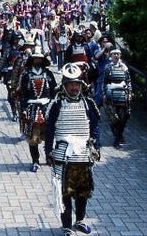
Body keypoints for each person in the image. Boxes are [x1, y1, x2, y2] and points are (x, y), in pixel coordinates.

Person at [45, 63, 100, 236]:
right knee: (65, 193)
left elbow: (96, 126)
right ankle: (67, 225)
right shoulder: (57, 104)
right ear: (64, 86)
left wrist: (96, 145)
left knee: (83, 192)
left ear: (82, 85)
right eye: (70, 84)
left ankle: (80, 221)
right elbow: (50, 129)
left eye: (77, 84)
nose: (74, 87)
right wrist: (48, 151)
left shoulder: (88, 103)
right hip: (63, 154)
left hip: (83, 154)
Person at [20, 45, 57, 172]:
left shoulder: (48, 73)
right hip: (32, 108)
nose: (37, 61)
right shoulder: (26, 75)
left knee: (49, 134)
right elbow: (23, 94)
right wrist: (23, 108)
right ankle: (35, 160)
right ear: (32, 59)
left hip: (47, 107)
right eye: (35, 58)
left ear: (42, 60)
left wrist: (54, 105)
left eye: (39, 59)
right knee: (32, 137)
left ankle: (49, 156)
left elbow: (54, 91)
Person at [103, 48, 132, 149]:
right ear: (111, 56)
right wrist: (104, 94)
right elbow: (105, 82)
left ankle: (118, 136)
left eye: (118, 54)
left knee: (124, 117)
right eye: (114, 54)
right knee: (113, 118)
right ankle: (117, 137)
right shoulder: (108, 68)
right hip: (111, 95)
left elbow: (128, 81)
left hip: (122, 95)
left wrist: (129, 93)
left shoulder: (124, 68)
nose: (116, 56)